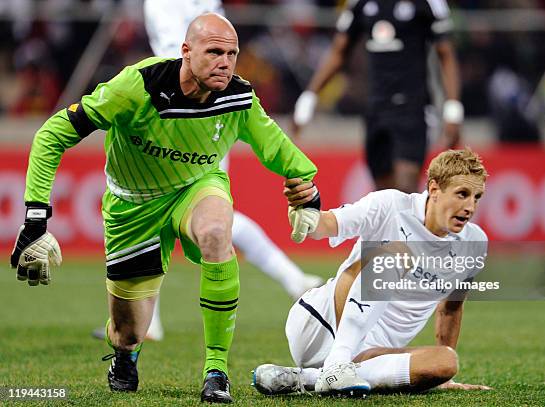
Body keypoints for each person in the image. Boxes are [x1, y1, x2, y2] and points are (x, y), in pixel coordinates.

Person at [10, 13, 321, 404]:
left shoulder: (238, 96)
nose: (225, 63)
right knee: (128, 331)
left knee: (216, 232)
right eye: (214, 52)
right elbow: (52, 134)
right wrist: (36, 219)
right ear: (186, 52)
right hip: (132, 207)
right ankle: (125, 355)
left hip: (196, 187)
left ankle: (216, 370)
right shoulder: (136, 86)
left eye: (232, 54)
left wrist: (309, 190)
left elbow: (275, 147)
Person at [90, 0, 323, 343]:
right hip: (186, 100)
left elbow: (188, 52)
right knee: (209, 217)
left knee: (203, 213)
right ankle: (293, 279)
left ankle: (294, 280)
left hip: (187, 106)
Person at [252, 149, 491, 397]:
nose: (470, 207)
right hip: (322, 324)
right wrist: (308, 217)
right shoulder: (390, 205)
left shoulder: (474, 243)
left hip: (372, 357)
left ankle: (309, 378)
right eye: (462, 194)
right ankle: (336, 364)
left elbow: (451, 308)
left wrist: (439, 377)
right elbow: (329, 224)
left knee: (447, 362)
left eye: (477, 197)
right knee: (396, 253)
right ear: (433, 189)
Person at [292, 0, 463, 193]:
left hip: (412, 107)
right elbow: (340, 50)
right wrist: (308, 97)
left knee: (406, 186)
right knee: (383, 193)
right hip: (375, 106)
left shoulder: (428, 3)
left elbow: (446, 54)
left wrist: (453, 109)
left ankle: (411, 223)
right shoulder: (358, 3)